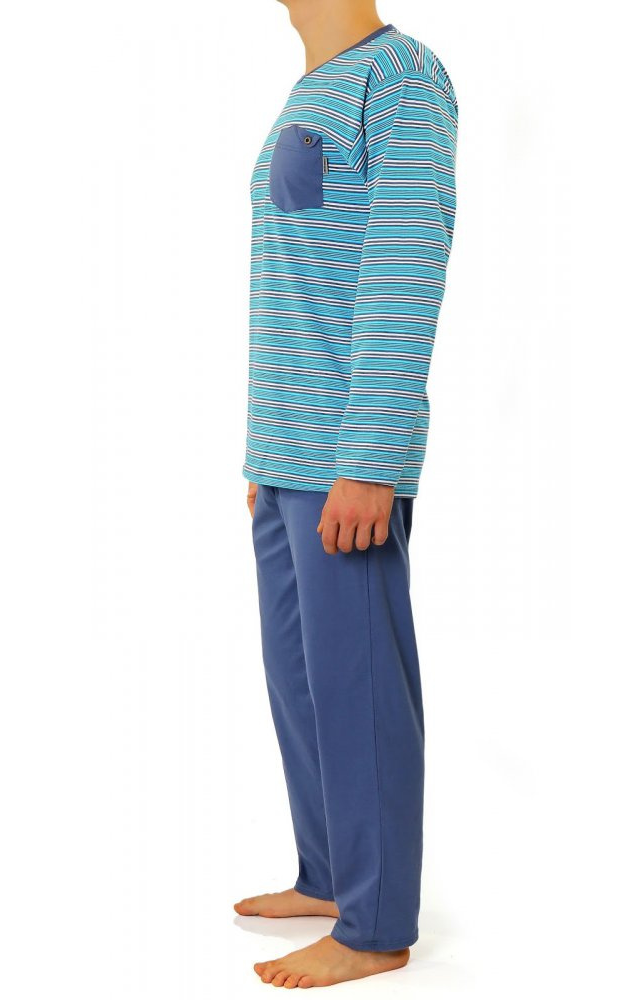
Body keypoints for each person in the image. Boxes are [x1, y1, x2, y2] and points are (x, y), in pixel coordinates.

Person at [236, 0, 458, 988]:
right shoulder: (312, 87)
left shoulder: (400, 78)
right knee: (302, 682)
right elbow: (292, 284)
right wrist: (260, 450)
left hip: (343, 458)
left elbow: (403, 270)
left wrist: (368, 459)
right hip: (286, 453)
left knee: (358, 686)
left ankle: (375, 926)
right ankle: (329, 875)